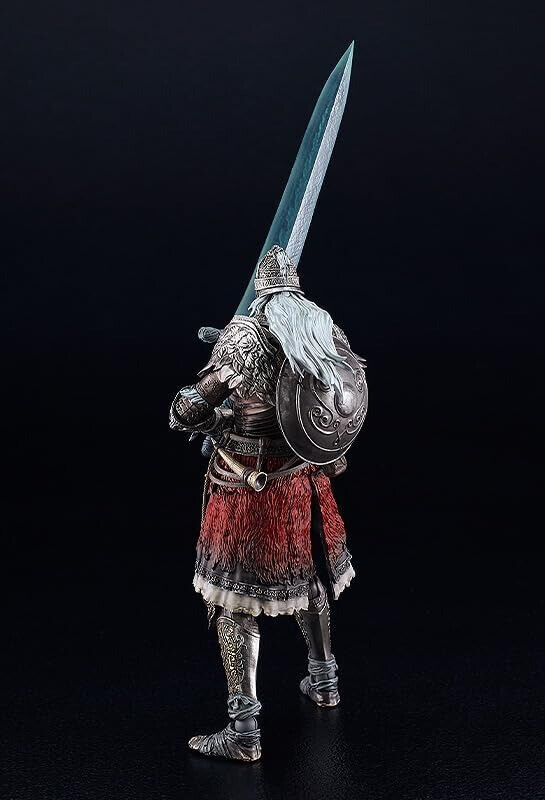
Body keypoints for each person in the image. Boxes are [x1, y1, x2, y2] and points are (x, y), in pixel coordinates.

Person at [169, 244, 366, 762]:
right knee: (310, 581)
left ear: (261, 296)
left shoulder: (244, 339)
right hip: (304, 486)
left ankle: (243, 732)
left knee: (234, 606)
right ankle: (325, 683)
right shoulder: (325, 333)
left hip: (250, 496)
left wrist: (213, 413)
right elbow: (340, 408)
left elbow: (185, 411)